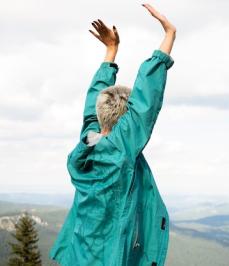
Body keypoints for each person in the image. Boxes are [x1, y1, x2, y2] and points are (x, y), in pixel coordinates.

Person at [49, 3, 176, 266]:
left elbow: (92, 108)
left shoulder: (87, 142)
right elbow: (146, 98)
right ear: (126, 119)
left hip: (78, 256)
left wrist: (111, 51)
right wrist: (169, 36)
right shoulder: (121, 149)